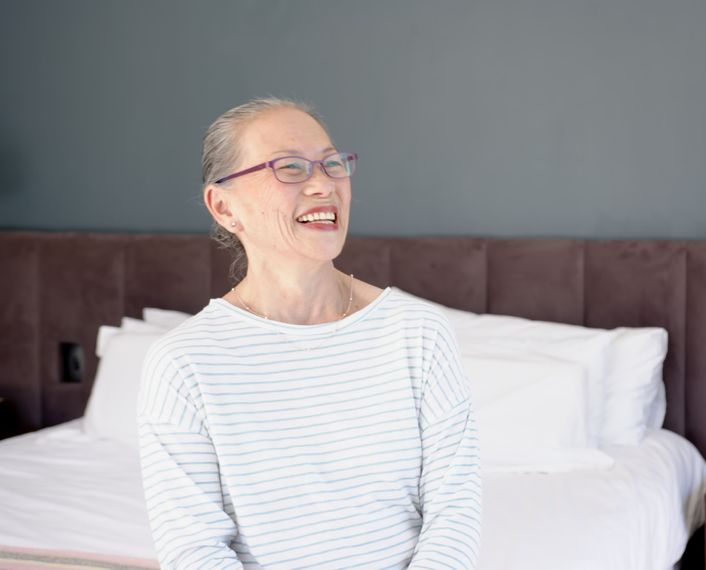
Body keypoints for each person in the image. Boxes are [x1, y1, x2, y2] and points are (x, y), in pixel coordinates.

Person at [137, 97, 481, 569]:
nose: (324, 184)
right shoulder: (183, 362)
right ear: (224, 206)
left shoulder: (417, 332)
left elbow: (454, 514)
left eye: (332, 164)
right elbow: (195, 551)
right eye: (290, 168)